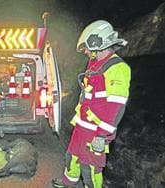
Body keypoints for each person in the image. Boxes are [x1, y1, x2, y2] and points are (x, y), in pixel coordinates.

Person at [52, 20, 131, 188]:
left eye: (87, 48)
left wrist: (103, 135)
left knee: (90, 168)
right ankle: (68, 183)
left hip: (96, 131)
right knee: (71, 157)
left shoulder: (117, 68)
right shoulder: (94, 64)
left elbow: (116, 106)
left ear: (98, 42)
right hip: (83, 126)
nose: (86, 52)